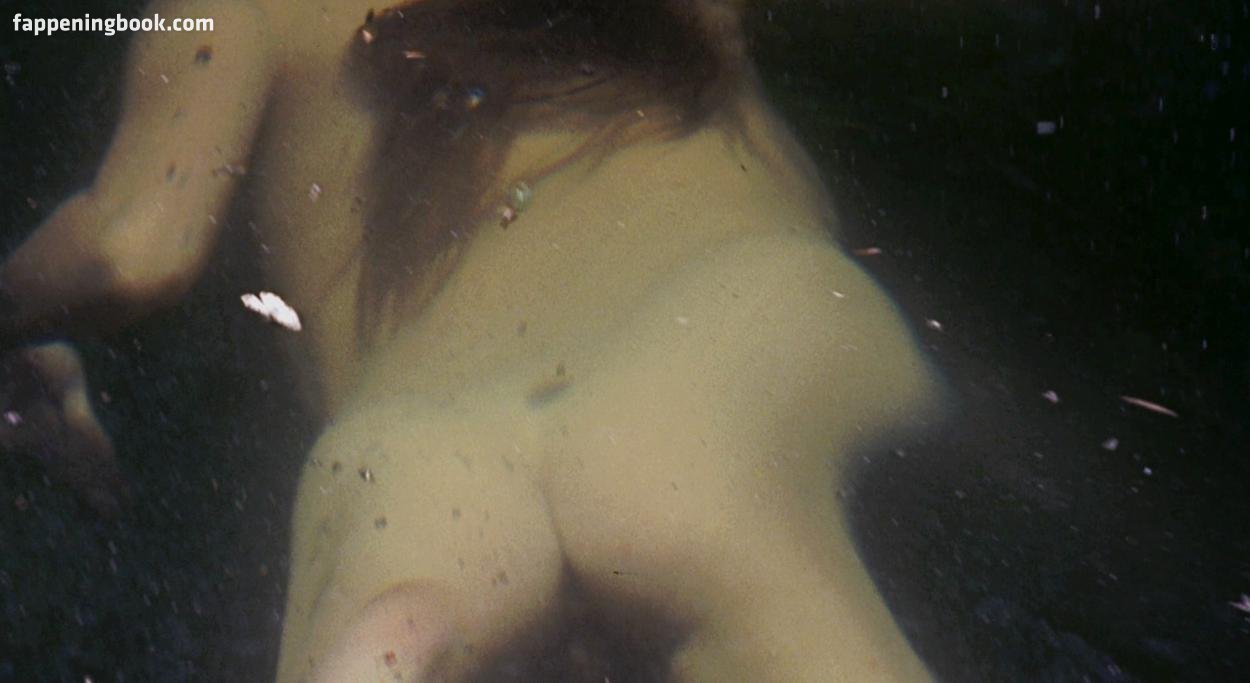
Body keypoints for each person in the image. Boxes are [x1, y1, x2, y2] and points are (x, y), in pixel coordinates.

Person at [0, 0, 946, 680]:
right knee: (732, 537)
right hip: (708, 342)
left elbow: (131, 248)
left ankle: (406, 622)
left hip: (426, 440)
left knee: (389, 616)